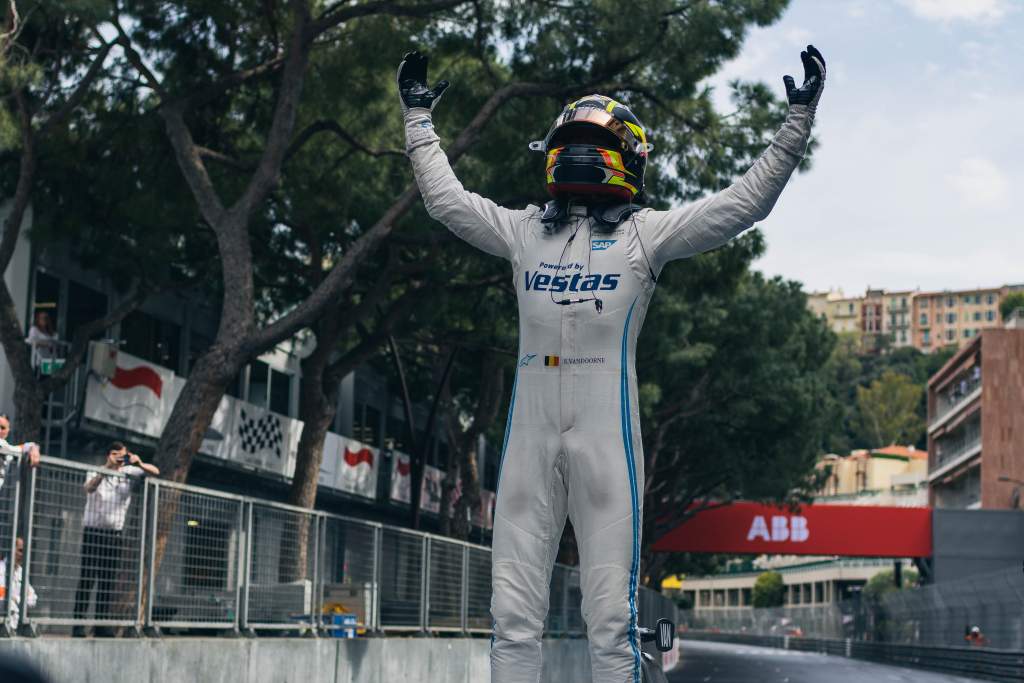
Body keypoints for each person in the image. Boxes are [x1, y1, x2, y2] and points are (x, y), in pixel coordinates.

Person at [398, 44, 825, 683]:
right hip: (531, 447)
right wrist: (416, 119)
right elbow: (445, 200)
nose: (577, 152)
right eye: (570, 139)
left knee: (609, 626)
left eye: (588, 141)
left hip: (605, 447)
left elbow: (743, 205)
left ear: (626, 158)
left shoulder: (644, 236)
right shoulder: (522, 232)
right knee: (511, 620)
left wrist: (797, 121)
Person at [72, 442, 158, 636]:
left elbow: (156, 472)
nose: (118, 458)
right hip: (93, 533)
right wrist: (107, 469)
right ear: (107, 455)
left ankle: (101, 627)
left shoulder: (129, 472)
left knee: (107, 582)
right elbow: (89, 488)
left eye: (122, 455)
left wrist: (140, 463)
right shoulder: (97, 470)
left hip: (114, 536)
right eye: (114, 454)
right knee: (87, 580)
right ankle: (77, 625)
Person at [0, 537, 37, 631]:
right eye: (20, 550)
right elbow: (1, 597)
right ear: (12, 549)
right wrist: (22, 600)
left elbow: (33, 599)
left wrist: (16, 599)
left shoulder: (22, 572)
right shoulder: (1, 568)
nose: (23, 554)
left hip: (16, 628)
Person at [0, 414, 41, 491]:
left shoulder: (7, 449)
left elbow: (21, 448)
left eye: (2, 428)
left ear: (8, 430)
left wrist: (34, 447)